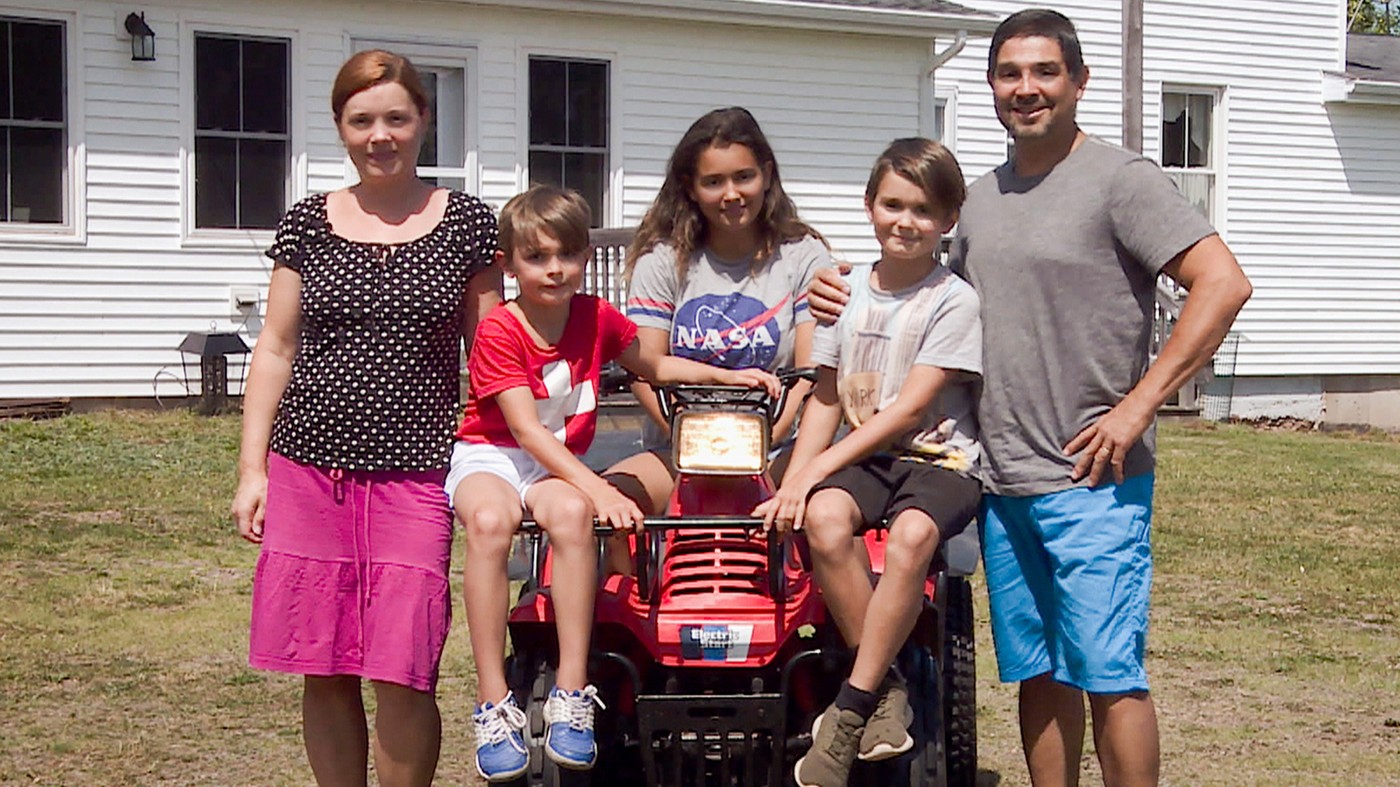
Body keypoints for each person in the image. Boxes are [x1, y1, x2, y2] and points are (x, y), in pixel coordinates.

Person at [808, 10, 1252, 786]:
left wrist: (1139, 405)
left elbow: (1223, 284)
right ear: (991, 87)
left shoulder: (1122, 181)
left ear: (1077, 81)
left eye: (1045, 72)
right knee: (1040, 672)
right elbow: (921, 286)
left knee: (1110, 673)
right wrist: (838, 289)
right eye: (1010, 73)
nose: (1027, 88)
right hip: (1000, 478)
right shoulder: (977, 202)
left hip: (1093, 477)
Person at [231, 50, 501, 786]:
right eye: (362, 120)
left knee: (403, 666)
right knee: (321, 663)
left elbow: (495, 355)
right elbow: (276, 348)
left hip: (415, 474)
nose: (380, 135)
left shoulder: (469, 224)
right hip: (307, 470)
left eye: (396, 117)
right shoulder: (308, 222)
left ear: (423, 121)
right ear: (341, 128)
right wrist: (253, 467)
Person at [449, 185, 779, 782]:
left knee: (574, 519)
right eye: (536, 257)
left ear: (583, 257)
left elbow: (654, 366)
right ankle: (493, 700)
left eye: (567, 255)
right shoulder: (501, 330)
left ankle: (573, 693)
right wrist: (598, 488)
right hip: (494, 455)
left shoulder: (594, 318)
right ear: (509, 263)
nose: (554, 269)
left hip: (554, 465)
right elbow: (524, 430)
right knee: (493, 523)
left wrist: (733, 376)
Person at [755, 138, 982, 787]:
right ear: (870, 205)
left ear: (948, 219)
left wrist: (815, 467)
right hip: (869, 455)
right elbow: (826, 393)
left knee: (912, 535)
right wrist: (798, 478)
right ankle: (887, 687)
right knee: (821, 516)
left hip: (941, 460)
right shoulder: (842, 291)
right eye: (892, 204)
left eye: (923, 208)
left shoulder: (953, 301)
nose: (905, 220)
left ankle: (850, 710)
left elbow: (909, 412)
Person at [603, 106, 831, 517]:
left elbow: (809, 374)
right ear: (691, 187)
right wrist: (696, 440)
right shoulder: (663, 259)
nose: (731, 194)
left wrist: (764, 437)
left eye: (744, 177)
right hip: (678, 450)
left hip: (779, 447)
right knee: (600, 507)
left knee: (828, 513)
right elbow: (645, 368)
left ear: (766, 174)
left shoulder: (802, 256)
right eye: (713, 182)